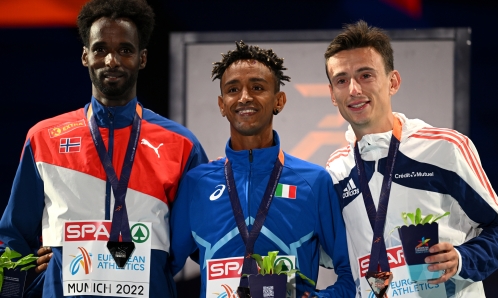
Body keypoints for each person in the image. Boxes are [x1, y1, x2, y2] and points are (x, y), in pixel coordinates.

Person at [0, 0, 207, 297]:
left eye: (125, 49)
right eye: (100, 49)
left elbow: (207, 240)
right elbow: (13, 237)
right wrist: (16, 286)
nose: (112, 60)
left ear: (142, 58)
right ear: (85, 56)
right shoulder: (44, 138)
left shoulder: (181, 144)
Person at [324, 20, 498, 297]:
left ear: (393, 82)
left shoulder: (444, 147)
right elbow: (333, 255)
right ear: (332, 94)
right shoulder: (337, 169)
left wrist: (462, 260)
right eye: (342, 80)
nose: (354, 89)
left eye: (366, 75)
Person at [170, 41, 355, 298]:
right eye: (233, 89)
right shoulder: (197, 184)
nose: (245, 97)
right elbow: (162, 270)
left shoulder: (314, 182)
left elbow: (353, 275)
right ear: (222, 104)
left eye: (257, 87)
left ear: (279, 101)